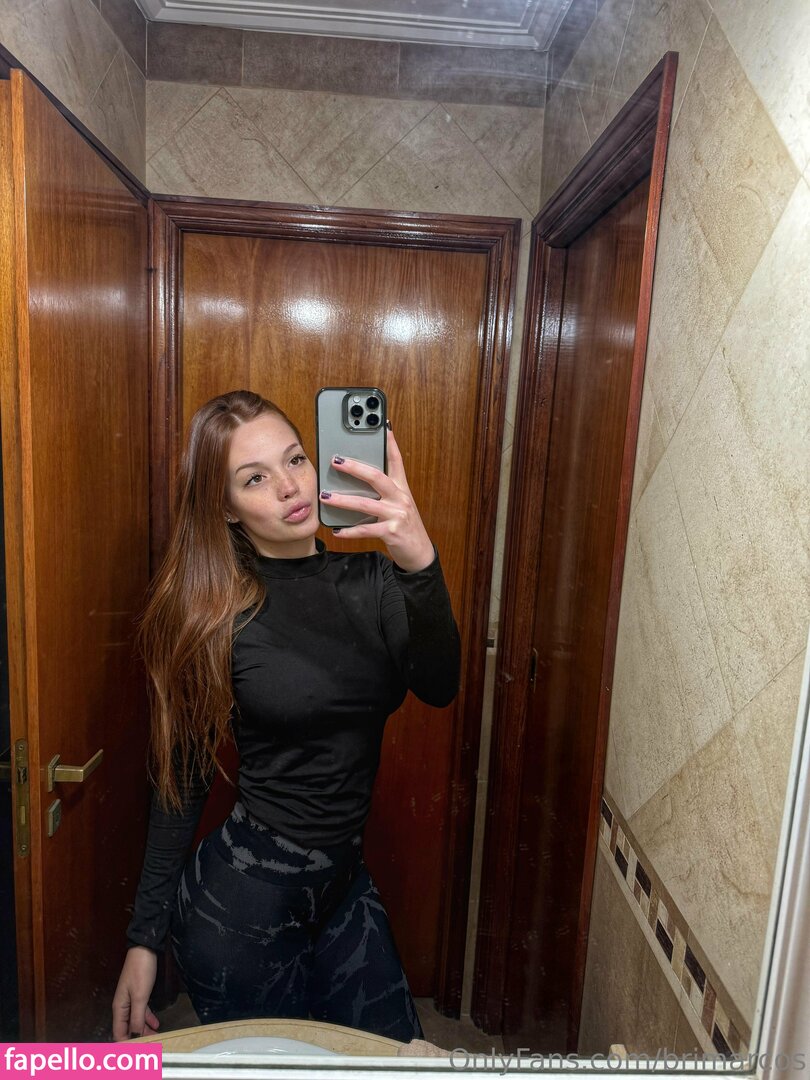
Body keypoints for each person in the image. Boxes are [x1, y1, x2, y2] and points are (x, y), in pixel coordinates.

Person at [111, 389, 460, 1043]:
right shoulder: (215, 614)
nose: (289, 486)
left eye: (295, 459)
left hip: (344, 886)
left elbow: (440, 686)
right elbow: (183, 782)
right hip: (237, 908)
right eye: (255, 478)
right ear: (226, 507)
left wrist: (419, 560)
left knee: (392, 1058)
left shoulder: (376, 581)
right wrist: (143, 938)